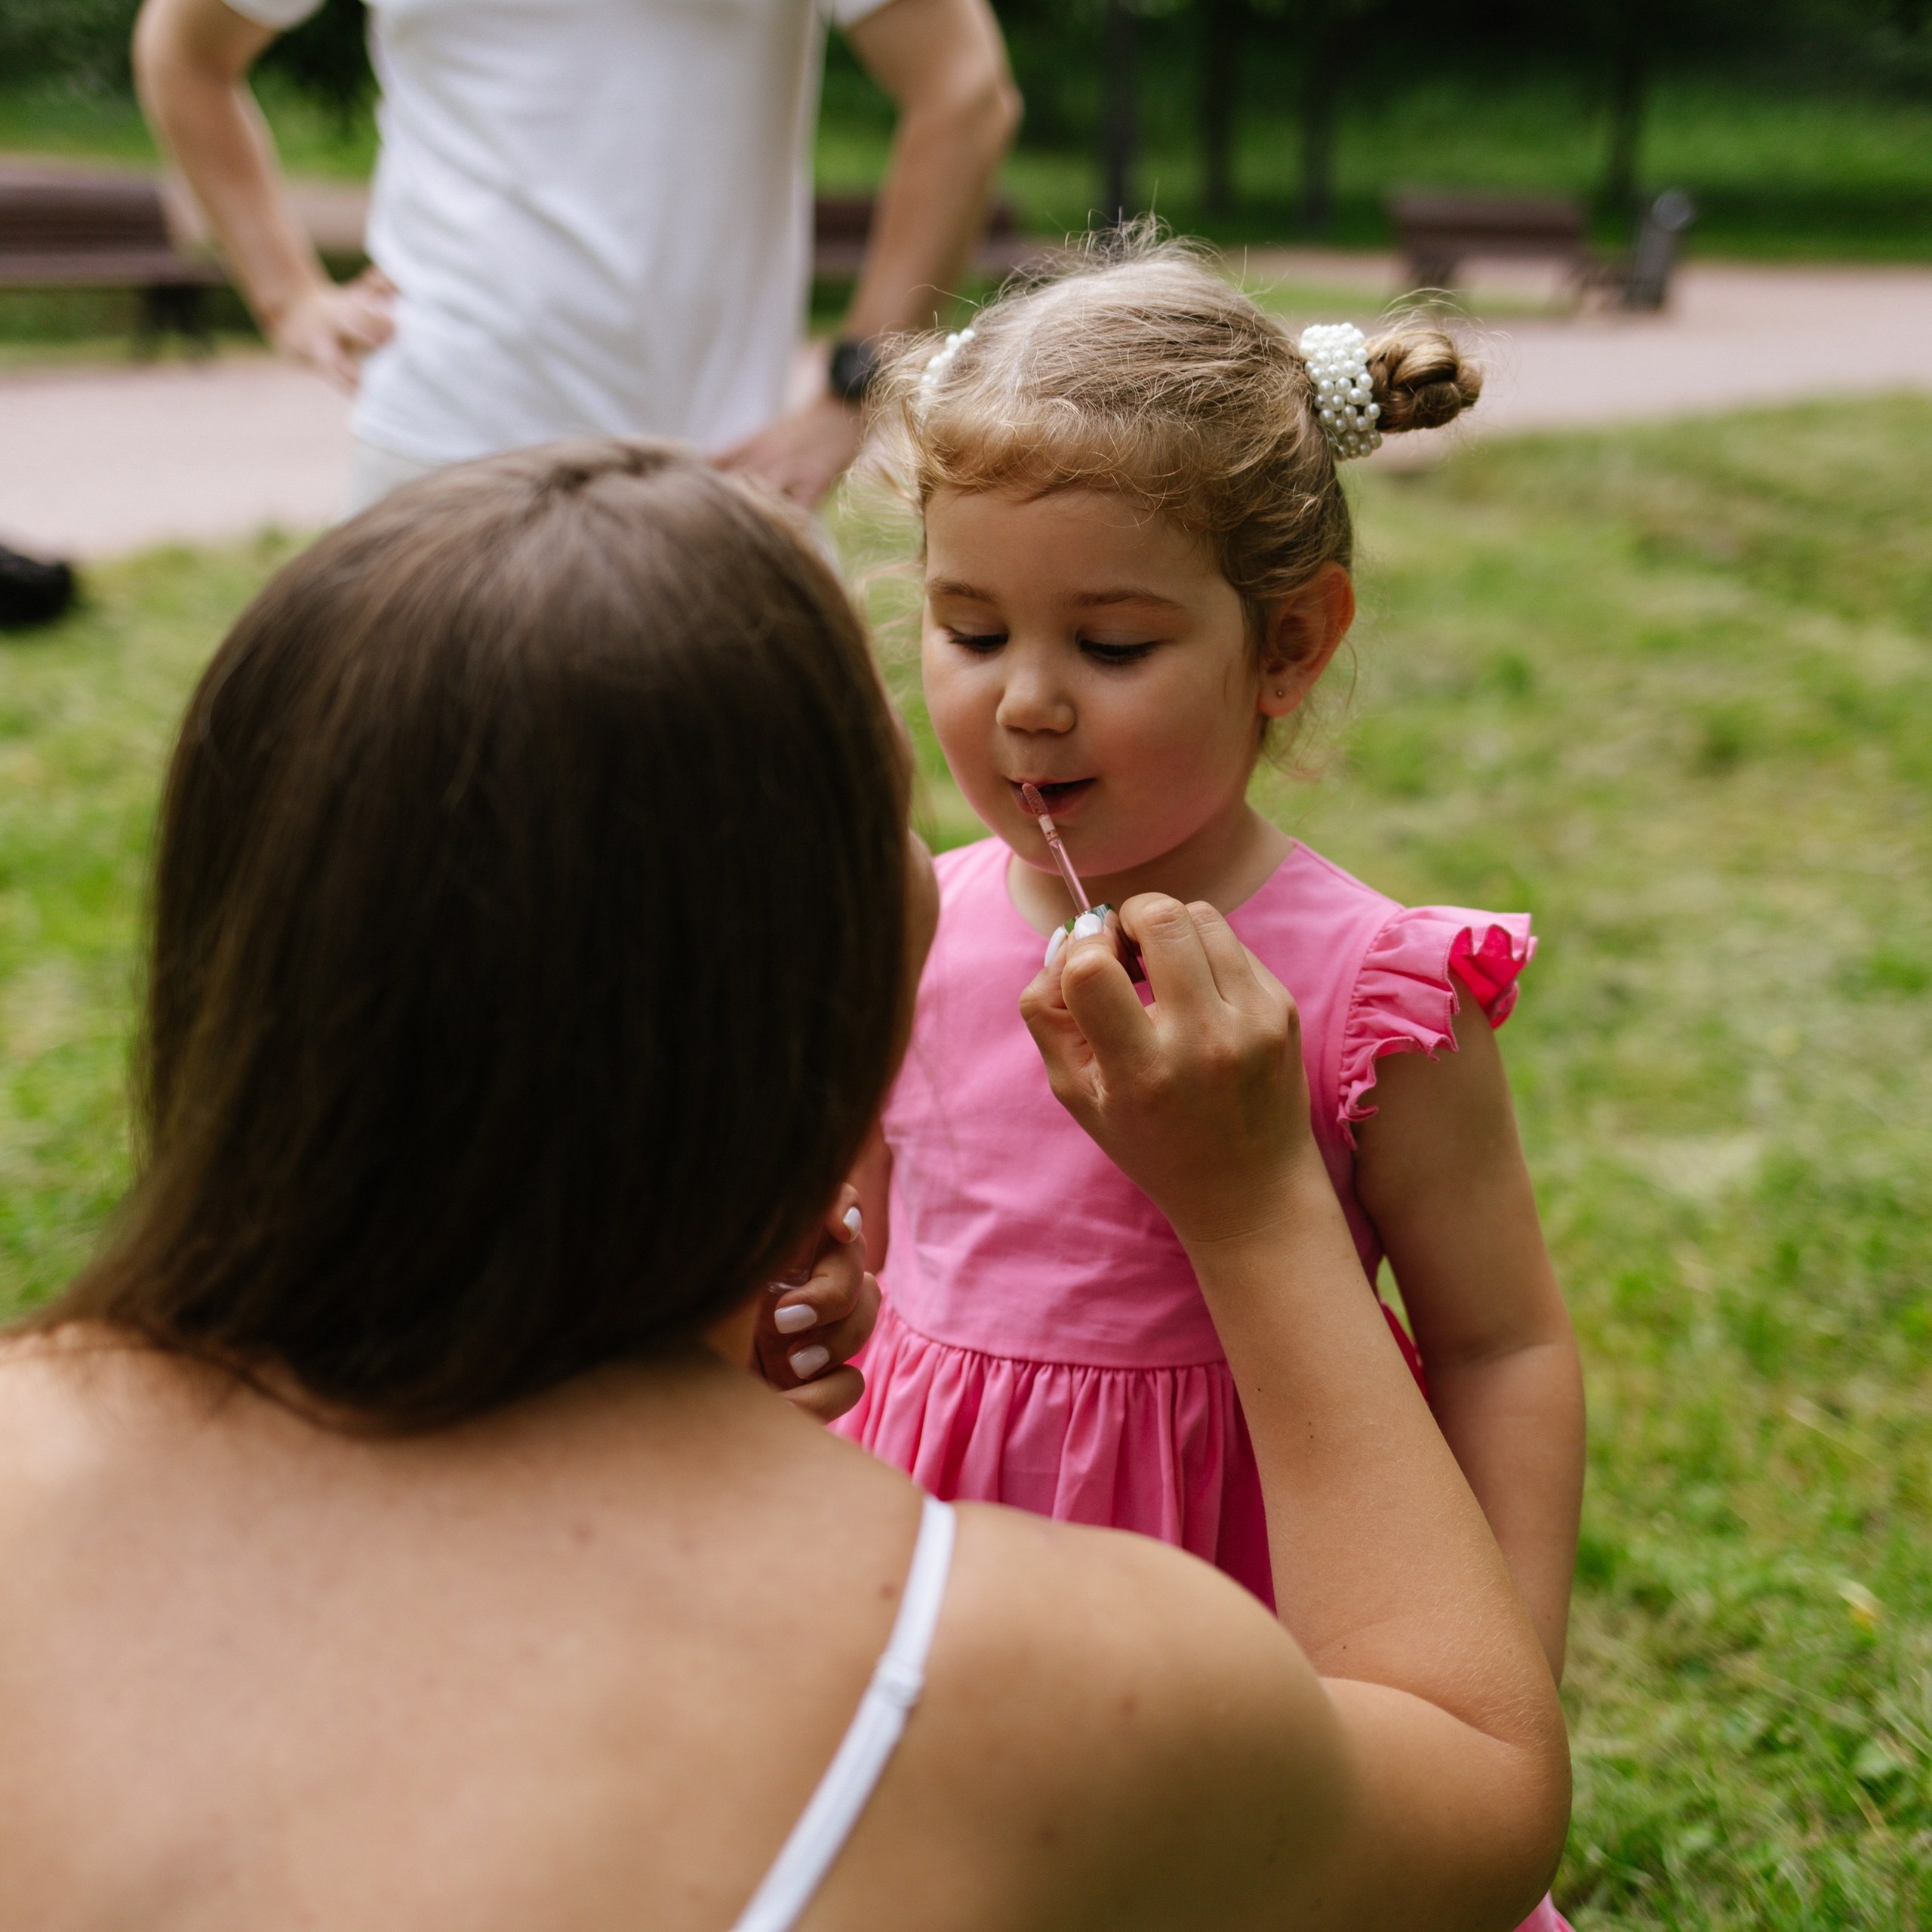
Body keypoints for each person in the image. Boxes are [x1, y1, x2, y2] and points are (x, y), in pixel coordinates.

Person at [0, 441, 1566, 1930]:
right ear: (787, 990)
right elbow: (1477, 1785)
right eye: (887, 795)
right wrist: (1254, 1206)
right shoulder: (1027, 1681)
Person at [834, 242, 1587, 1924]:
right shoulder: (905, 929)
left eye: (1108, 642)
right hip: (947, 1558)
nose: (1023, 698)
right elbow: (869, 1239)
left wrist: (1496, 1680)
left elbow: (1501, 1338)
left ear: (1288, 641)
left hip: (1253, 1576)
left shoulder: (1370, 989)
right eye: (967, 627)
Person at [132, 0, 1019, 512]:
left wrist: (856, 387)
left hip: (714, 472)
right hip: (439, 451)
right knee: (428, 827)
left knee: (749, 832)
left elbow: (963, 89)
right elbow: (184, 52)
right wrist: (287, 297)